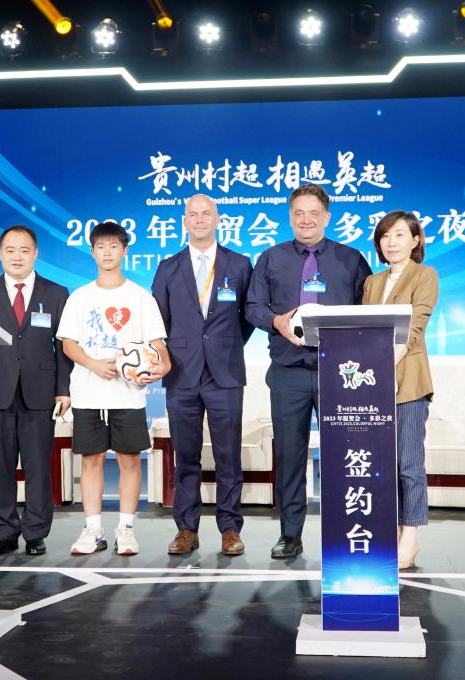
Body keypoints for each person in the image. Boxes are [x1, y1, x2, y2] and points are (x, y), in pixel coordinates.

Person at [246, 184, 372, 559]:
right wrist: (276, 321)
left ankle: (348, 533)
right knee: (289, 455)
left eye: (313, 213)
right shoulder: (271, 258)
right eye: (299, 213)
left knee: (346, 455)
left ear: (326, 217)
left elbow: (368, 308)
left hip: (341, 372)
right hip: (289, 371)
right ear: (290, 217)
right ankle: (290, 534)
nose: (306, 220)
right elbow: (252, 307)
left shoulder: (351, 259)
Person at [56, 221, 171, 556]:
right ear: (92, 252)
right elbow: (68, 344)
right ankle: (93, 529)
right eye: (101, 247)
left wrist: (162, 365)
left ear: (124, 251)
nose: (107, 252)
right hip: (88, 393)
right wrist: (93, 364)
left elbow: (157, 345)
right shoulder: (80, 297)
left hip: (128, 394)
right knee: (91, 460)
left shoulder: (140, 297)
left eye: (114, 246)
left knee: (129, 459)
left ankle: (126, 529)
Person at [152, 194, 255, 557]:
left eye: (206, 213)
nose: (199, 219)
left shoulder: (239, 264)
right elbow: (158, 321)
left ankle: (230, 528)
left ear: (217, 219)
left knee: (228, 455)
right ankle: (186, 529)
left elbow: (248, 317)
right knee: (186, 456)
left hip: (225, 372)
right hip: (181, 373)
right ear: (184, 221)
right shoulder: (168, 267)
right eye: (192, 214)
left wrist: (224, 346)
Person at [0, 225, 72, 557]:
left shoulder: (56, 293)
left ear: (35, 254)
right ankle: (5, 532)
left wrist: (63, 389)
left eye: (24, 250)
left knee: (38, 466)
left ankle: (36, 533)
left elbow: (64, 347)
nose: (17, 257)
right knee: (0, 467)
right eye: (10, 250)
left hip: (40, 391)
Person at [361, 210, 439, 569]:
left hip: (408, 382)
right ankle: (390, 529)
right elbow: (362, 330)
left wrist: (383, 366)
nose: (390, 243)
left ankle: (411, 535)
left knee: (409, 463)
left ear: (415, 240)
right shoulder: (372, 282)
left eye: (399, 235)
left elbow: (415, 327)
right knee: (383, 466)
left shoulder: (425, 275)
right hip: (372, 386)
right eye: (385, 236)